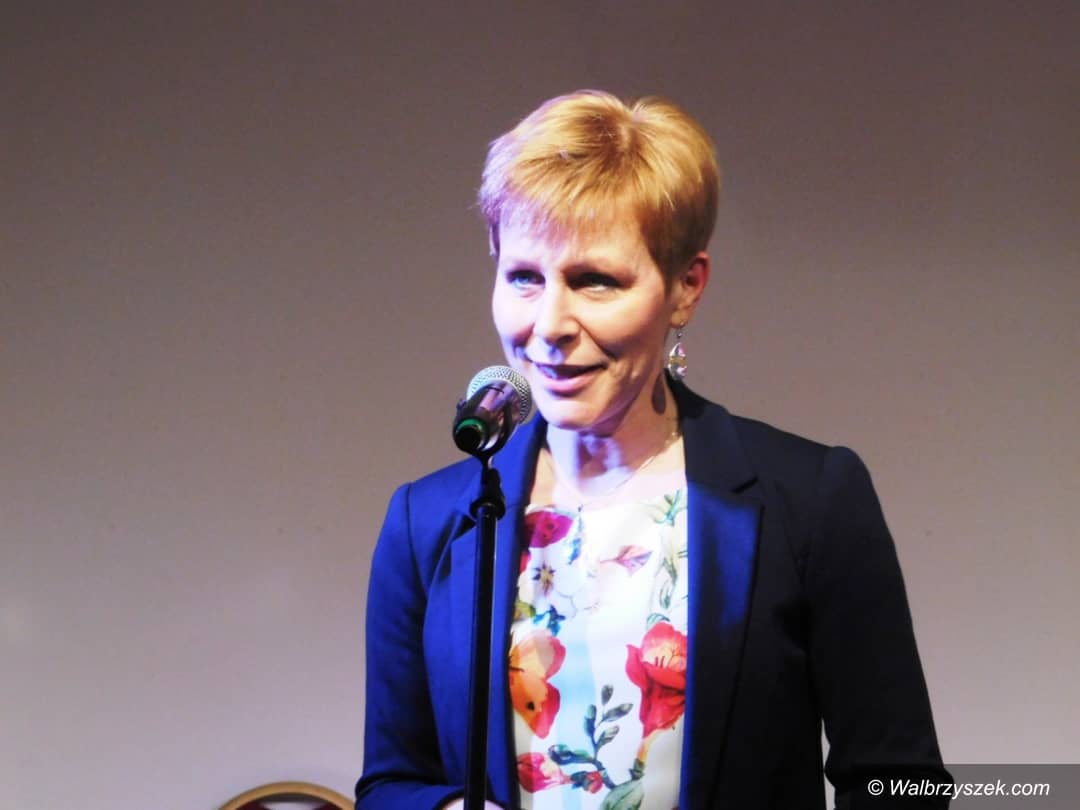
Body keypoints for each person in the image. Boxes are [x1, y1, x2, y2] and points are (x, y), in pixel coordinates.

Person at [356, 90, 949, 810]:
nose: (550, 324)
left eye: (594, 281)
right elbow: (391, 784)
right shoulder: (428, 522)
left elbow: (901, 783)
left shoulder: (809, 499)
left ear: (685, 288)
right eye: (524, 277)